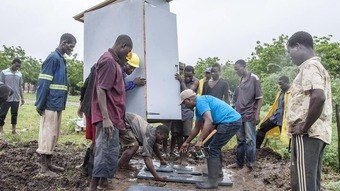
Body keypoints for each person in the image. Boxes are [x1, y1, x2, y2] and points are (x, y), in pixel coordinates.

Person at [286, 31, 332, 191]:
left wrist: (304, 126)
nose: (289, 56)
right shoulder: (317, 67)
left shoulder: (310, 66)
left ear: (297, 46)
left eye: (289, 51)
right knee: (311, 182)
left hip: (307, 134)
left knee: (303, 184)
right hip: (315, 133)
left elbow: (319, 97)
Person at [88, 34, 133, 191]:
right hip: (107, 116)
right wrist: (106, 118)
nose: (127, 55)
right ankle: (93, 186)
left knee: (111, 151)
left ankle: (103, 183)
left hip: (114, 116)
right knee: (104, 151)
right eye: (128, 51)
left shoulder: (114, 62)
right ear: (122, 45)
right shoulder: (108, 60)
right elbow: (101, 90)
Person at [179, 89, 242, 189]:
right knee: (209, 145)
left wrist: (200, 140)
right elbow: (196, 127)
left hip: (230, 122)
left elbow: (209, 120)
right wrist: (187, 142)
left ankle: (212, 182)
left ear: (188, 100)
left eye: (183, 103)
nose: (184, 105)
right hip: (227, 122)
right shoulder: (199, 106)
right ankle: (217, 173)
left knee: (212, 148)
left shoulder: (201, 102)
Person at [35, 33, 77, 177]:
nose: (72, 50)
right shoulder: (53, 58)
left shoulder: (60, 59)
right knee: (47, 135)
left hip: (57, 104)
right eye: (71, 46)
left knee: (54, 134)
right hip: (50, 104)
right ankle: (43, 169)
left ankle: (49, 164)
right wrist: (39, 104)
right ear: (64, 43)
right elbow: (43, 83)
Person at [229, 59, 262, 172]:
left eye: (237, 69)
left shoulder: (254, 78)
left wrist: (257, 114)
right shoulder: (241, 79)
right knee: (240, 139)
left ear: (244, 66)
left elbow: (259, 98)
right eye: (235, 70)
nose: (236, 71)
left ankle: (250, 165)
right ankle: (239, 163)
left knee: (250, 140)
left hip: (249, 113)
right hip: (239, 114)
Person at [116, 112, 169, 181]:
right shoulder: (150, 136)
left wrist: (162, 160)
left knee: (135, 144)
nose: (161, 141)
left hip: (126, 120)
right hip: (122, 121)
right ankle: (116, 170)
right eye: (162, 139)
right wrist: (156, 176)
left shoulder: (153, 132)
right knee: (134, 146)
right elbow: (146, 157)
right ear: (158, 133)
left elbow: (154, 146)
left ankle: (125, 164)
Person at [171, 65, 199, 158]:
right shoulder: (179, 80)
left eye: (189, 76)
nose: (187, 78)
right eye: (186, 76)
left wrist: (181, 81)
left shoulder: (196, 81)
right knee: (178, 134)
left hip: (188, 111)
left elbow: (189, 92)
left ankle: (185, 156)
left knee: (187, 135)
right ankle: (181, 155)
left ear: (193, 74)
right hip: (177, 110)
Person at [256, 76, 290, 148]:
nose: (280, 86)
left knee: (288, 138)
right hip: (276, 117)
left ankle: (289, 155)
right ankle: (256, 149)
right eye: (279, 84)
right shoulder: (280, 93)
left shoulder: (292, 93)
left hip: (286, 119)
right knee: (262, 128)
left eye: (281, 84)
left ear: (287, 83)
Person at [0, 58, 25, 135]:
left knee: (14, 114)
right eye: (16, 65)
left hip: (16, 98)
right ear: (13, 63)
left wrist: (22, 98)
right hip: (6, 98)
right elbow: (1, 85)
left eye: (19, 67)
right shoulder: (4, 72)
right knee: (2, 114)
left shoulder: (19, 74)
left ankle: (14, 130)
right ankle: (1, 130)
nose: (17, 68)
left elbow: (20, 86)